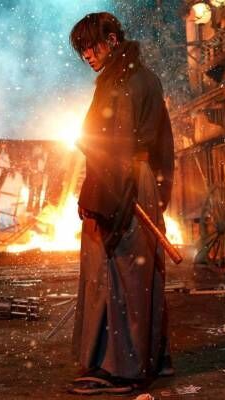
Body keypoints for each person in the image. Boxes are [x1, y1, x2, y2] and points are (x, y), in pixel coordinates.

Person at [68, 12, 175, 396]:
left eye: (90, 47)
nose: (87, 55)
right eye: (82, 50)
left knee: (117, 273)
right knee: (139, 275)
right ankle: (151, 357)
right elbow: (163, 146)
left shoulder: (124, 83)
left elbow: (116, 146)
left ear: (112, 41)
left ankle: (119, 367)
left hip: (120, 181)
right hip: (134, 180)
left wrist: (102, 196)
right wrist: (158, 193)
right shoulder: (141, 78)